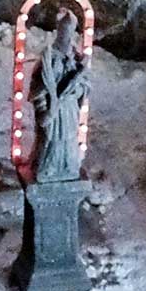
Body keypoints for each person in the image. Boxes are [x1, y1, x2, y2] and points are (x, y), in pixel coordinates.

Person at [30, 9, 89, 182]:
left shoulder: (76, 58)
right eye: (64, 32)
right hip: (53, 107)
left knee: (69, 137)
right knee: (53, 138)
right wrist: (44, 108)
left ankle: (68, 166)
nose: (68, 37)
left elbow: (85, 84)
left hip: (70, 107)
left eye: (71, 32)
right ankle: (48, 167)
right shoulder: (49, 58)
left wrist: (77, 88)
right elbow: (39, 85)